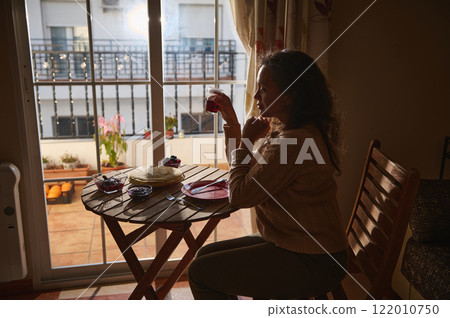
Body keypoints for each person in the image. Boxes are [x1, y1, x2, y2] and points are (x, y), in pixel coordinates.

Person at [188, 50, 349, 300]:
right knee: (203, 257)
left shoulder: (293, 143)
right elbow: (248, 171)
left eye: (263, 88)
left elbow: (239, 195)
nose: (256, 96)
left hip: (313, 259)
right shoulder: (292, 132)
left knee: (200, 272)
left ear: (289, 96)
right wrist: (232, 122)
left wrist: (247, 140)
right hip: (296, 243)